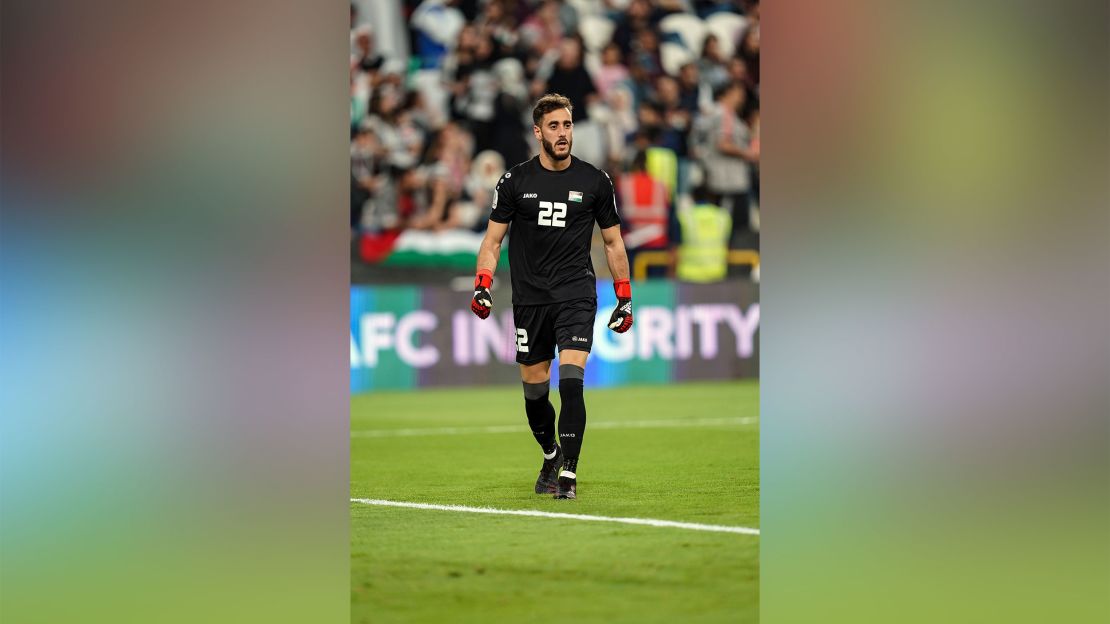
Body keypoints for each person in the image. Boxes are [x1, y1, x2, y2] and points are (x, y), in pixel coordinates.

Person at [469, 93, 633, 500]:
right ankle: (550, 452)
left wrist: (624, 297)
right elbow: (492, 241)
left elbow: (613, 243)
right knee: (534, 393)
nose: (563, 134)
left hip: (576, 293)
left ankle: (569, 475)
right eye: (555, 126)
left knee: (572, 382)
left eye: (568, 125)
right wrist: (483, 283)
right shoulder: (514, 181)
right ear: (538, 132)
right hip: (530, 299)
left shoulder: (595, 181)